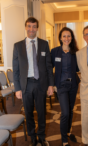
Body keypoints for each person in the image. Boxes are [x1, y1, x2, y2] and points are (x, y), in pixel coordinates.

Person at [13, 17, 54, 146]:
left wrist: (51, 85)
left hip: (41, 83)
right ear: (26, 27)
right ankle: (32, 137)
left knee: (42, 111)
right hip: (26, 84)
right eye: (29, 26)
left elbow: (48, 66)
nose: (31, 29)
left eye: (34, 26)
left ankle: (41, 136)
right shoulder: (18, 46)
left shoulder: (44, 44)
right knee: (28, 112)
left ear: (37, 28)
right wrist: (17, 88)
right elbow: (16, 69)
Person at [51, 27, 80, 146]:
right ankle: (64, 139)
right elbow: (49, 68)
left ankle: (68, 132)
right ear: (60, 38)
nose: (66, 38)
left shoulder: (76, 52)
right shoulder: (54, 51)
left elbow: (78, 68)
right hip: (61, 86)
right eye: (64, 36)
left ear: (72, 38)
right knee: (65, 113)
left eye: (69, 36)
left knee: (71, 109)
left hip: (73, 85)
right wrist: (51, 84)